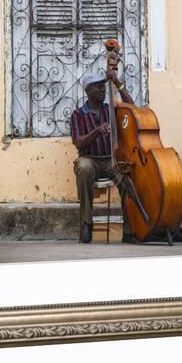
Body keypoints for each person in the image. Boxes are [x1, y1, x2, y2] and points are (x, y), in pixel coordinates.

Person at [70, 70, 138, 244]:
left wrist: (117, 83)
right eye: (98, 87)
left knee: (127, 177)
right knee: (83, 168)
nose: (102, 90)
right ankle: (87, 222)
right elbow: (78, 143)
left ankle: (129, 228)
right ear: (88, 91)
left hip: (110, 159)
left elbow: (132, 108)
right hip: (90, 159)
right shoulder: (78, 115)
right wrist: (97, 131)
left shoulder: (110, 110)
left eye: (103, 86)